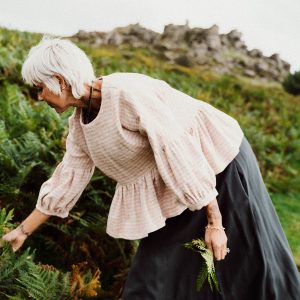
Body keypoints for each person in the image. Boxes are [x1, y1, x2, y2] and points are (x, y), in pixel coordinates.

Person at [1, 36, 299, 300]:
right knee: (153, 280)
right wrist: (23, 231)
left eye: (40, 88)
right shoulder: (80, 124)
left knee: (249, 263)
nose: (39, 97)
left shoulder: (127, 94)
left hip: (218, 169)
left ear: (60, 80)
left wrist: (215, 222)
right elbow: (67, 179)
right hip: (174, 187)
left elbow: (178, 149)